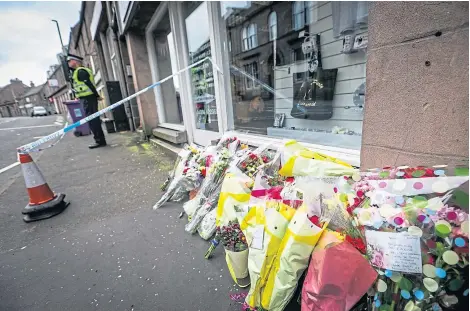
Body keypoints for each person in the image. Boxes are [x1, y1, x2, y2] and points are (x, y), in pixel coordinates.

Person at [67, 54, 107, 149]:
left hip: (89, 98)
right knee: (93, 120)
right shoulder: (77, 72)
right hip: (86, 98)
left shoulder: (81, 71)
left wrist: (97, 96)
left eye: (69, 61)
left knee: (93, 120)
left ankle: (99, 141)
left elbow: (89, 84)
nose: (68, 63)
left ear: (74, 61)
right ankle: (100, 140)